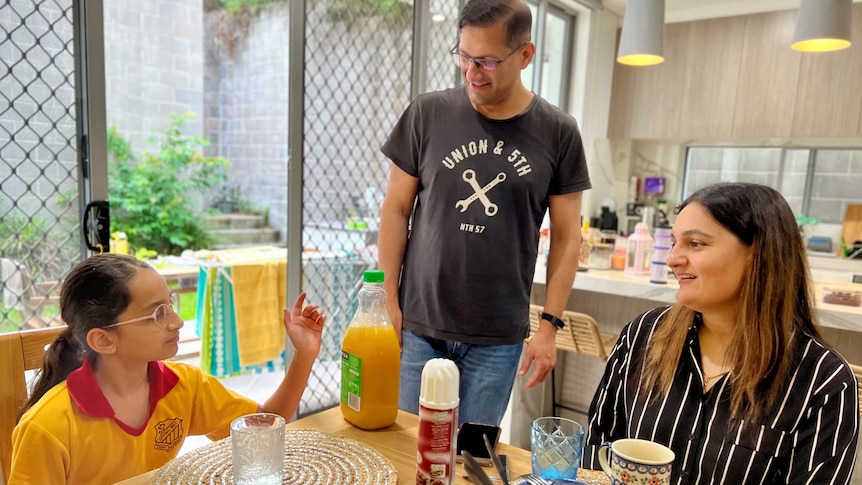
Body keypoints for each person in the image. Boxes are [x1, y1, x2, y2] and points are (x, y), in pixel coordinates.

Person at [378, 0, 590, 427]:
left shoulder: (559, 131)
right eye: (464, 56)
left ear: (525, 55)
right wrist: (388, 301)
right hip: (419, 326)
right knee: (405, 453)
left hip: (496, 339)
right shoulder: (427, 113)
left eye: (488, 61)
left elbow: (568, 237)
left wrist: (549, 325)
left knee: (471, 462)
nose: (473, 72)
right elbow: (396, 209)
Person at [583, 182, 859, 484]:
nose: (672, 259)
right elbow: (599, 447)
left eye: (695, 244)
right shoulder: (643, 337)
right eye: (675, 242)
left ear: (759, 254)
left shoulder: (822, 382)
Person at [9, 254, 325, 484]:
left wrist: (305, 355)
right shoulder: (47, 427)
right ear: (103, 340)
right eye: (158, 313)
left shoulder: (183, 385)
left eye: (170, 304)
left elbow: (263, 432)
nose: (177, 321)